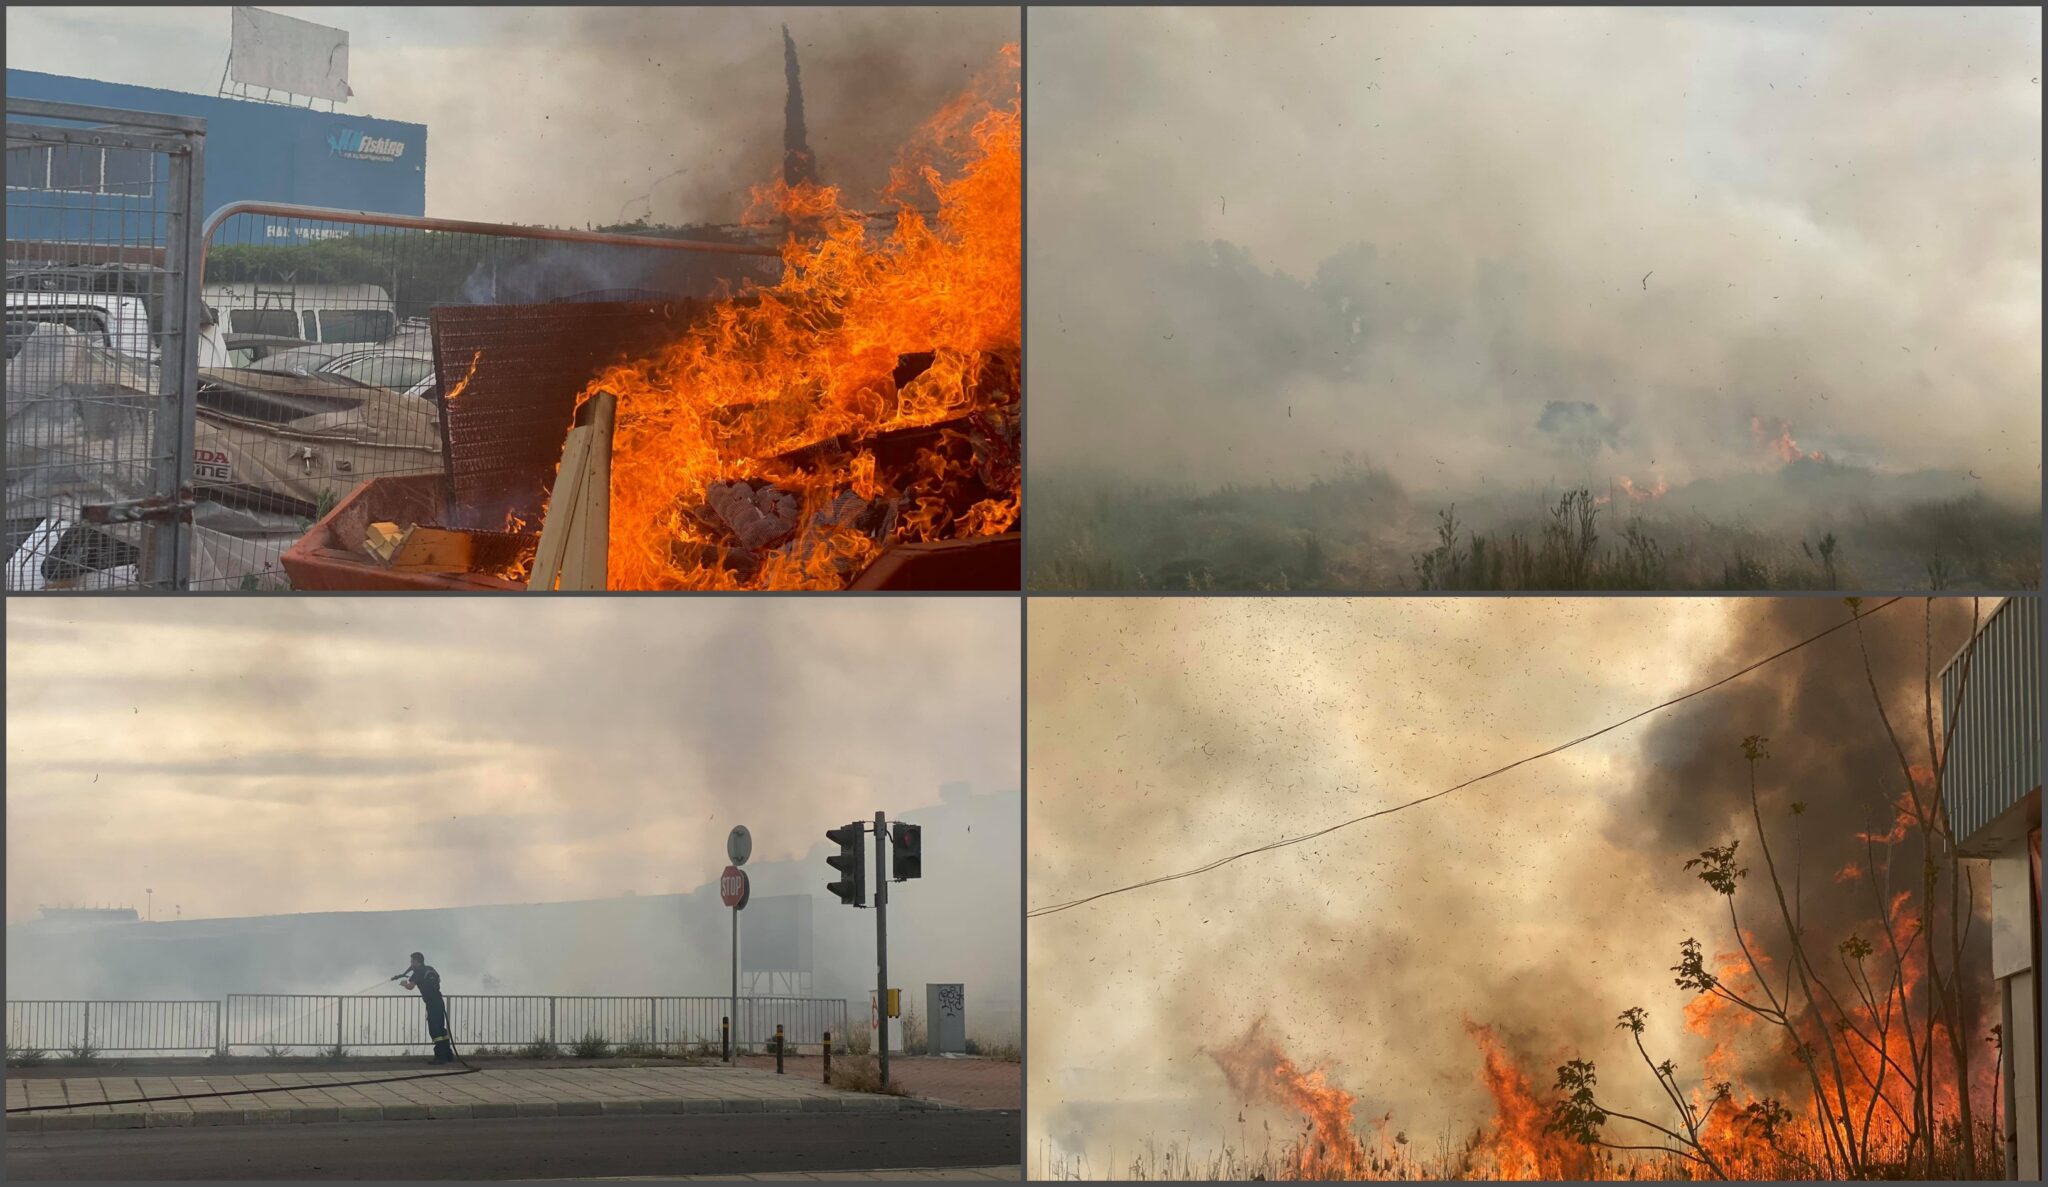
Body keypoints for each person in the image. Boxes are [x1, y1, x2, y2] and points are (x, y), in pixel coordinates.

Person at [393, 951, 455, 1064]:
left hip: (431, 1003)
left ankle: (440, 1058)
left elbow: (410, 986)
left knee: (435, 1031)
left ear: (417, 961)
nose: (411, 963)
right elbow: (439, 980)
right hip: (439, 1001)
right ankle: (448, 1055)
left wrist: (403, 984)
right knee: (441, 1029)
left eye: (412, 961)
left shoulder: (417, 972)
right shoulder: (430, 968)